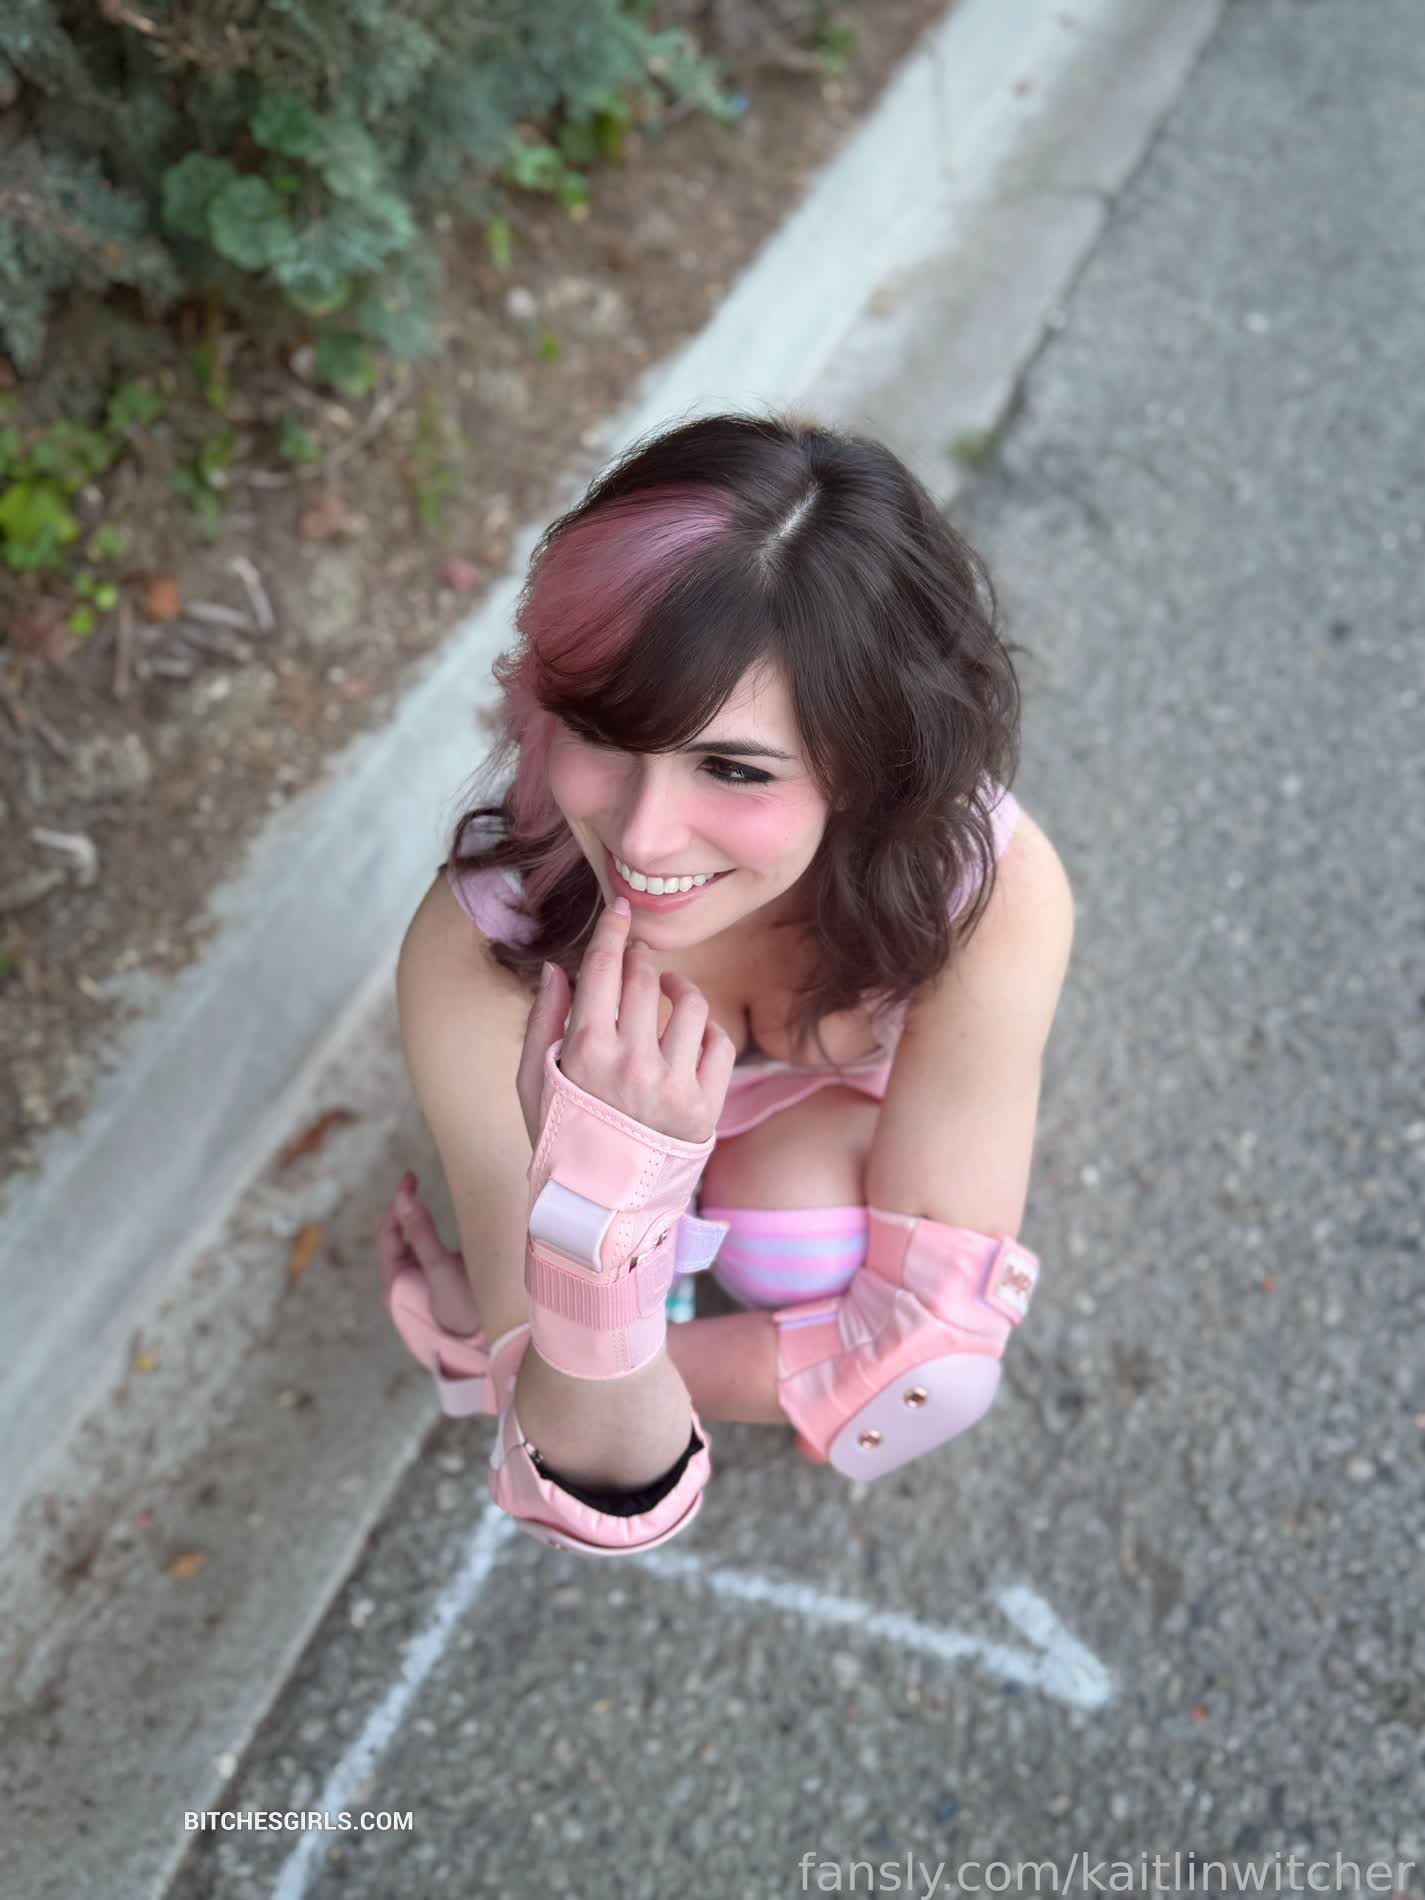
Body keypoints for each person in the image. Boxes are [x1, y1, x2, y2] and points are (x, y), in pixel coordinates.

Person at [376, 409, 1075, 1558]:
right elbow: (596, 1473)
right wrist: (607, 1218)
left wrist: (532, 1352)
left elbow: (937, 1361)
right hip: (636, 1184)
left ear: (870, 766)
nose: (643, 835)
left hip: (805, 1147)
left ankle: (709, 1277)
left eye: (733, 768)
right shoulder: (486, 953)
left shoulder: (983, 888)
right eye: (606, 733)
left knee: (799, 1237)